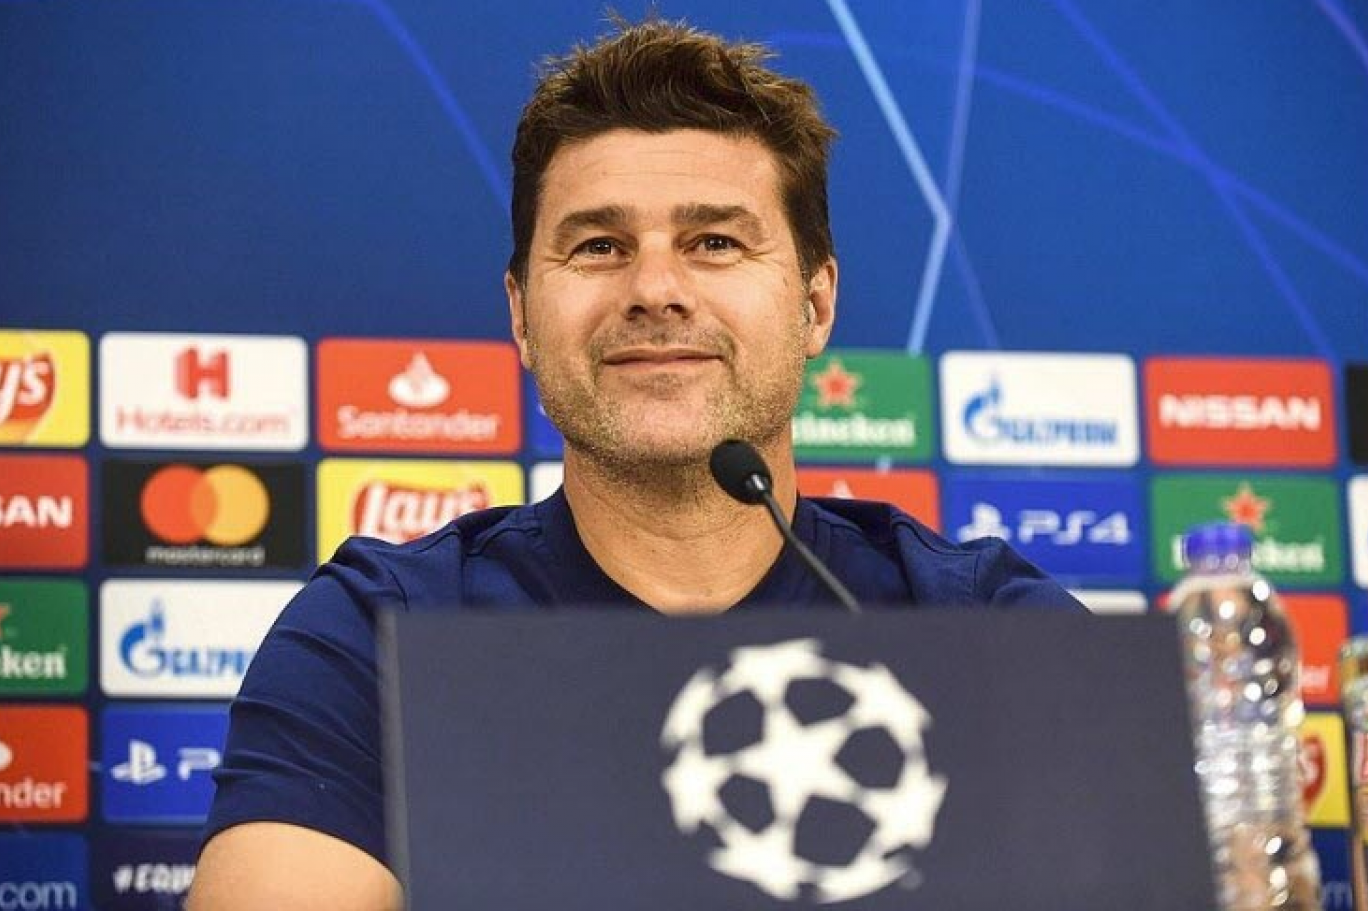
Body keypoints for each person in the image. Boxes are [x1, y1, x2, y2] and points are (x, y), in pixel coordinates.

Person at [188, 17, 1082, 911]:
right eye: (599, 247)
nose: (654, 290)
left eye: (715, 242)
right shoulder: (379, 631)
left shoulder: (986, 627)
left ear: (814, 306)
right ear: (522, 316)